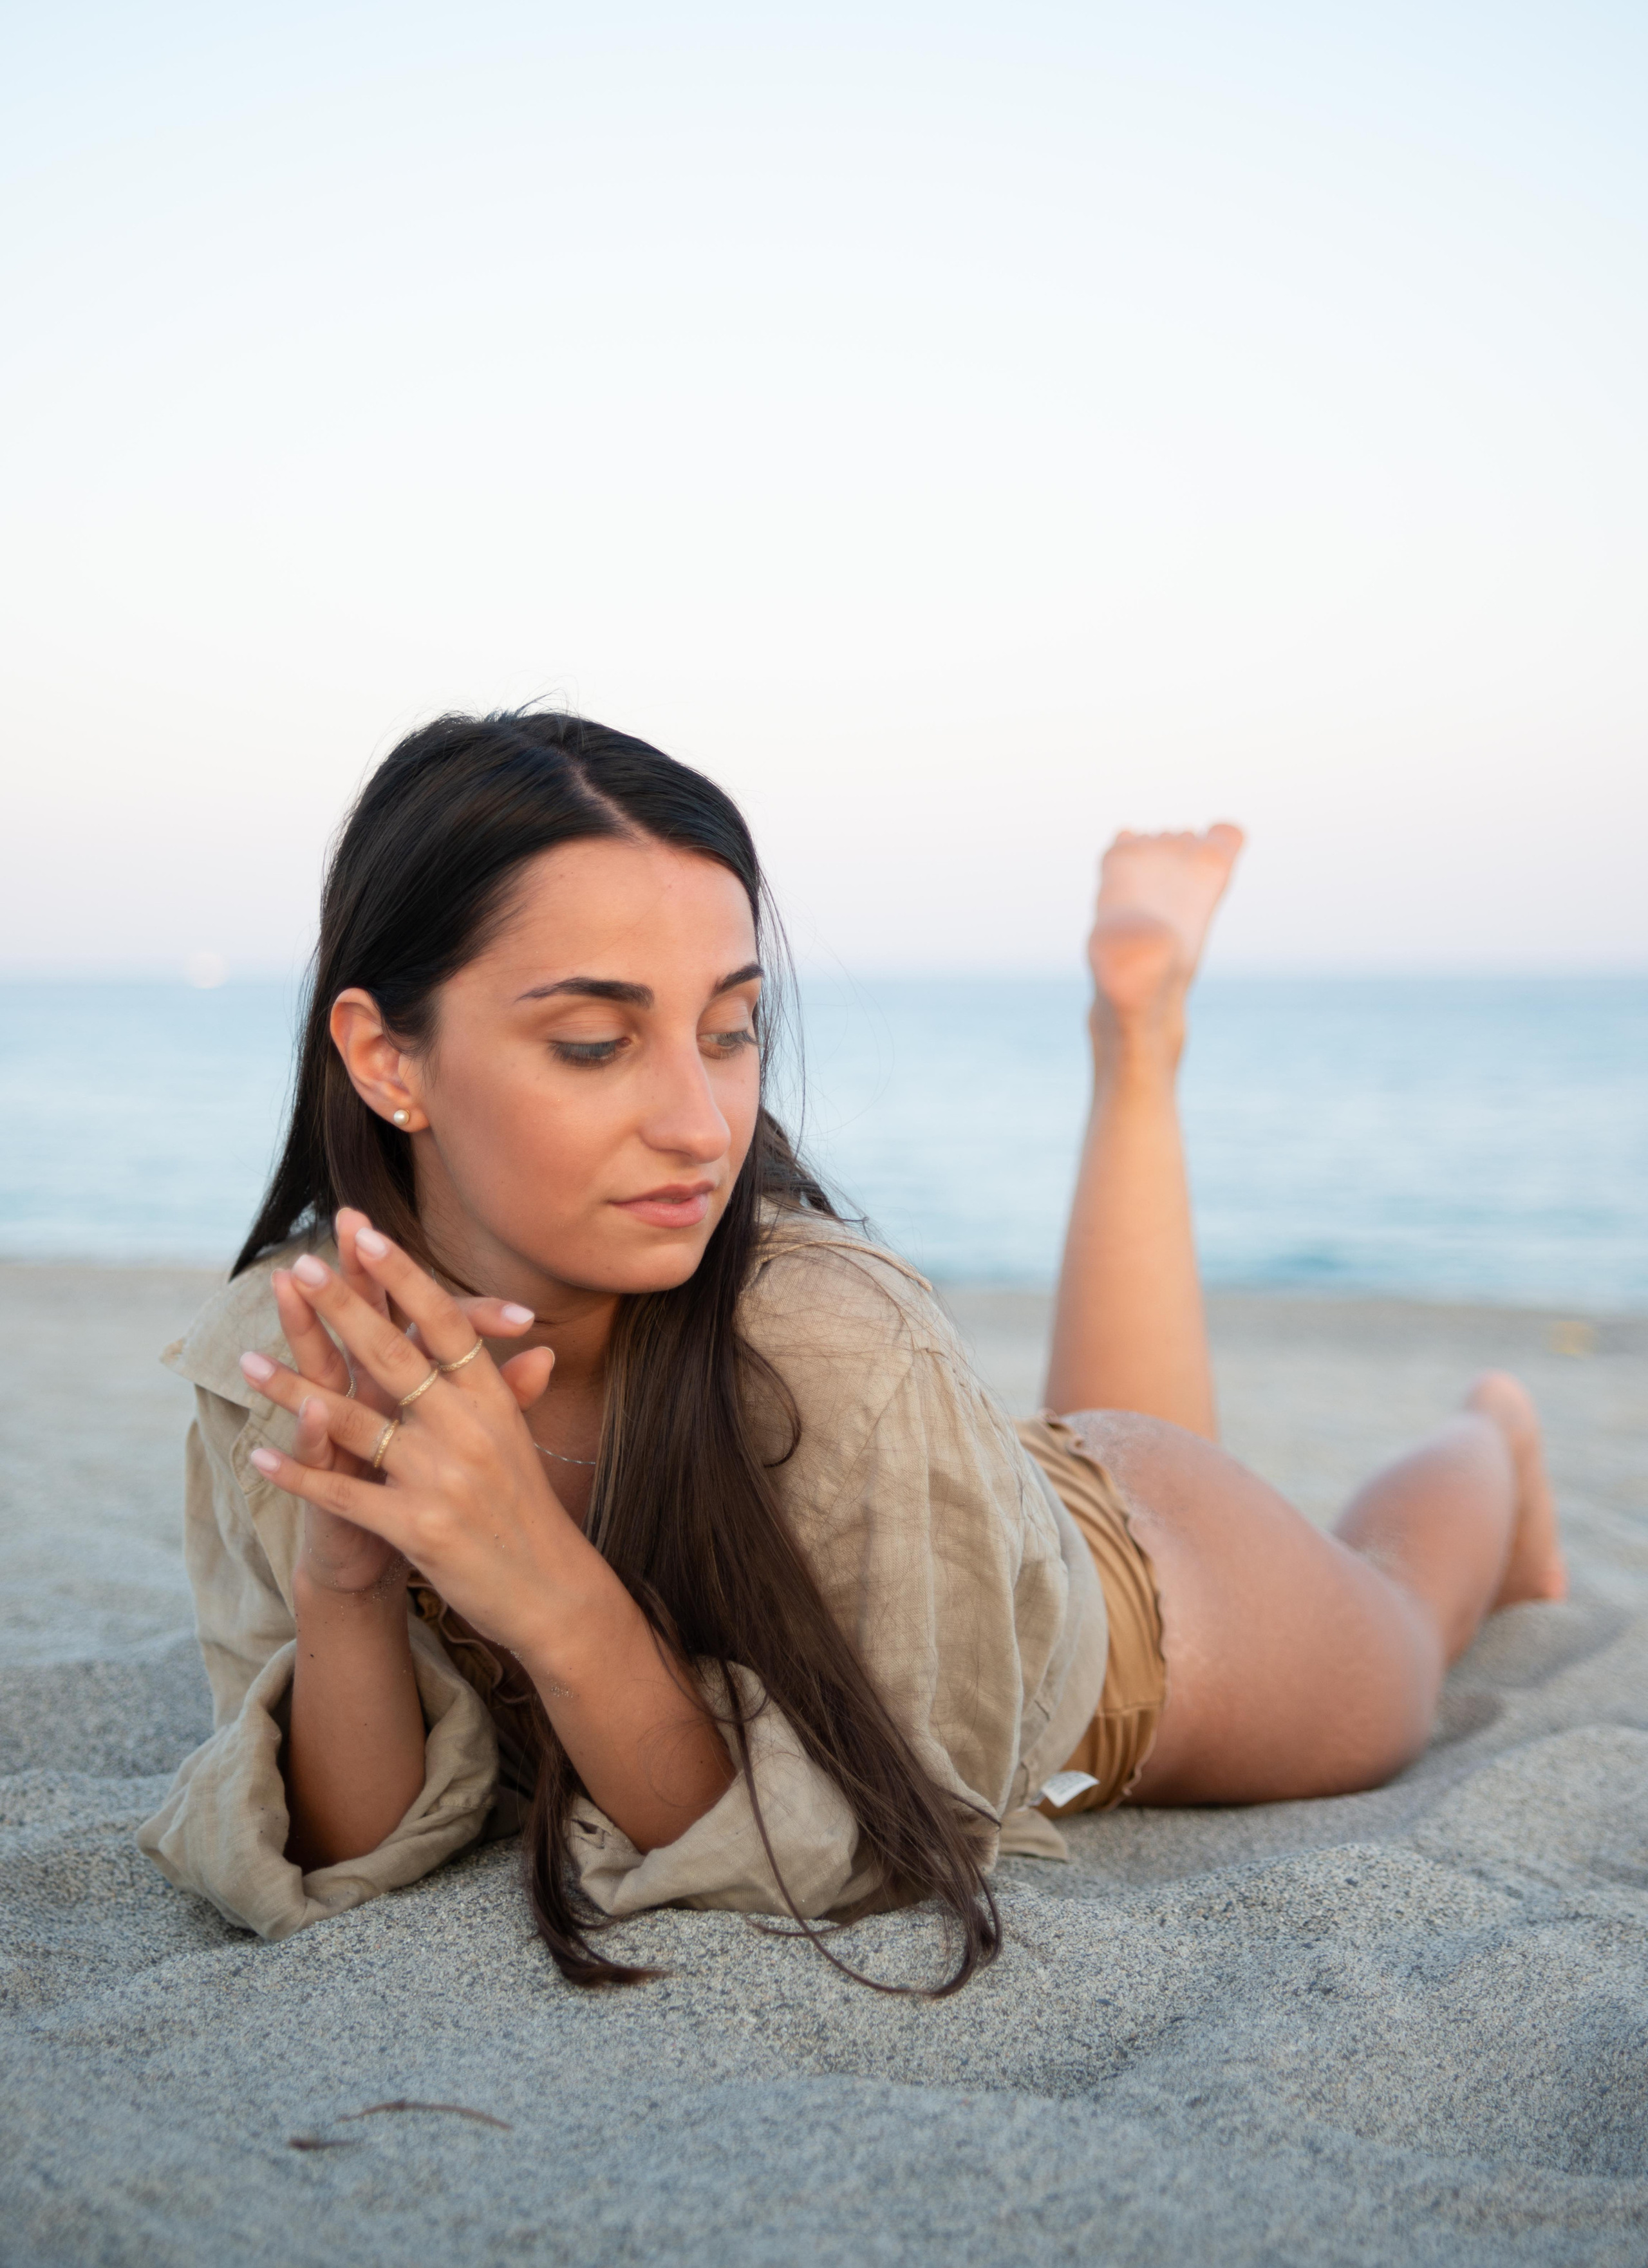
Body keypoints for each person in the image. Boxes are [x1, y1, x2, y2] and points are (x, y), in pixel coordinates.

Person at [139, 711, 1566, 1994]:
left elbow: (851, 1848)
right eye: (594, 1043)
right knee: (1098, 1429)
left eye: (730, 1029)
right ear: (387, 1059)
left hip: (1143, 1606)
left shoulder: (826, 1333)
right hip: (944, 1500)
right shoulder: (292, 1348)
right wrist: (346, 1583)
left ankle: (1494, 1433)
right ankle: (1136, 1031)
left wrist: (543, 1584)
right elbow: (348, 1846)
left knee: (1403, 1619)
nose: (700, 1124)